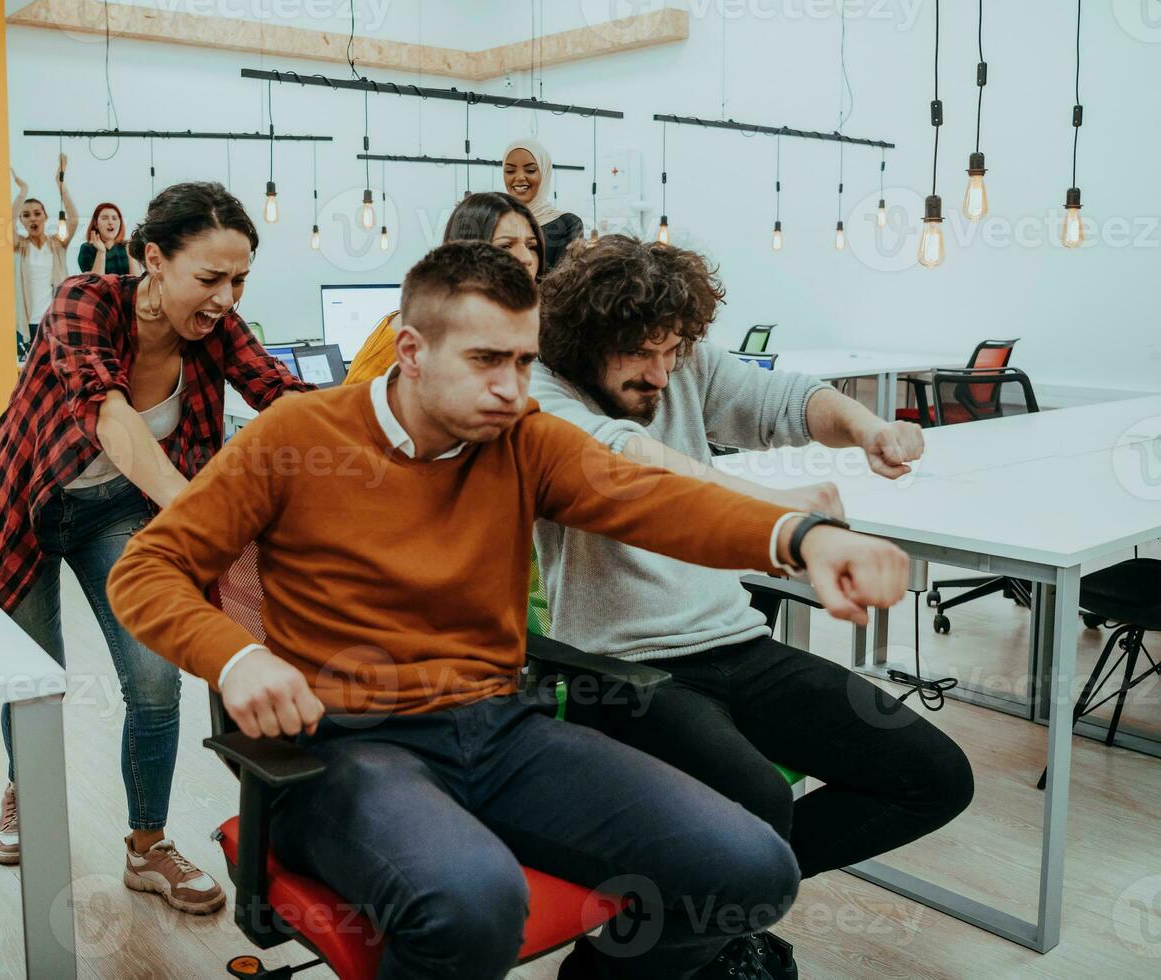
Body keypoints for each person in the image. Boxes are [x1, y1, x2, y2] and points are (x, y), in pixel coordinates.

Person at [107, 241, 911, 979]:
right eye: (487, 359)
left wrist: (797, 538)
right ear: (413, 352)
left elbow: (654, 500)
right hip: (344, 750)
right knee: (474, 902)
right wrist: (236, 655)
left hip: (499, 731)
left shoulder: (524, 437)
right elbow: (148, 569)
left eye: (524, 361)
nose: (512, 387)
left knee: (752, 869)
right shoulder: (297, 435)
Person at [532, 236, 976, 975]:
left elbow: (787, 399)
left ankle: (682, 908)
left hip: (733, 643)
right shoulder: (543, 396)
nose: (662, 371)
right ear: (587, 339)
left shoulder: (678, 364)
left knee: (933, 778)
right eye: (643, 354)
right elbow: (634, 467)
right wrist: (783, 516)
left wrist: (869, 430)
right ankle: (667, 933)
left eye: (673, 349)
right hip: (621, 669)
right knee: (759, 808)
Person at [0, 181, 312, 917]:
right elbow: (111, 418)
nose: (224, 297)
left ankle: (147, 847)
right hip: (25, 503)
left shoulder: (217, 328)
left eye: (239, 280)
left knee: (154, 683)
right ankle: (25, 787)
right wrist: (201, 513)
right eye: (209, 278)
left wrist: (391, 410)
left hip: (115, 509)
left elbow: (281, 392)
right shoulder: (85, 301)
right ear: (153, 259)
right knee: (35, 680)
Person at [343, 191, 545, 385]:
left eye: (531, 246)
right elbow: (349, 408)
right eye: (505, 246)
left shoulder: (509, 323)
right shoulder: (419, 325)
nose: (526, 258)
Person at [13, 152, 80, 358]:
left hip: (55, 319)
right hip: (29, 324)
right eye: (26, 215)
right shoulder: (19, 246)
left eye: (37, 213)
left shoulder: (57, 244)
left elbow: (74, 218)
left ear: (45, 216)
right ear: (21, 221)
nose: (32, 218)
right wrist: (22, 192)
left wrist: (59, 183)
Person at [503, 138, 584, 272]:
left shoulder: (567, 224)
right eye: (510, 171)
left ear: (545, 172)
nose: (519, 178)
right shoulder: (496, 220)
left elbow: (566, 281)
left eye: (530, 170)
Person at [78, 201, 144, 276]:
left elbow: (137, 281)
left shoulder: (127, 246)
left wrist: (130, 254)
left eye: (114, 218)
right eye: (105, 218)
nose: (110, 222)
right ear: (96, 223)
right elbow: (95, 283)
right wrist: (101, 252)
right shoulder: (87, 248)